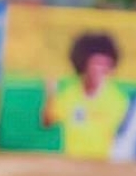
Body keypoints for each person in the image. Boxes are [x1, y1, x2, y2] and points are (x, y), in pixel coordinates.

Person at [42, 32, 129, 160]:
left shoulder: (118, 99)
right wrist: (51, 93)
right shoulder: (70, 94)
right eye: (95, 63)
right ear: (84, 63)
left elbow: (121, 136)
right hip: (72, 162)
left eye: (105, 65)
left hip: (104, 165)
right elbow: (48, 121)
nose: (99, 70)